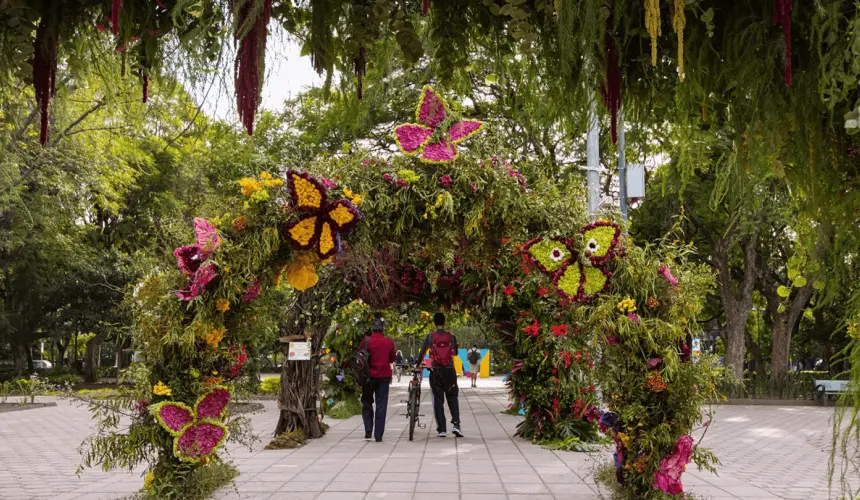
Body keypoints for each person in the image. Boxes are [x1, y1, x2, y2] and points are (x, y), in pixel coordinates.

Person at [417, 312, 463, 438]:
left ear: (434, 323)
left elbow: (422, 353)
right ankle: (456, 425)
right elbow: (456, 353)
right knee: (452, 397)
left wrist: (417, 366)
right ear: (444, 322)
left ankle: (442, 429)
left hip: (436, 370)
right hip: (449, 370)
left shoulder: (430, 337)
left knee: (438, 399)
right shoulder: (451, 336)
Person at [360, 317, 396, 442]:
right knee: (381, 405)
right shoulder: (388, 342)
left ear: (372, 328)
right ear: (383, 329)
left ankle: (368, 429)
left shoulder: (366, 341)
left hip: (368, 377)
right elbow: (392, 358)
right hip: (384, 378)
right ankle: (378, 434)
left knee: (366, 402)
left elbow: (360, 357)